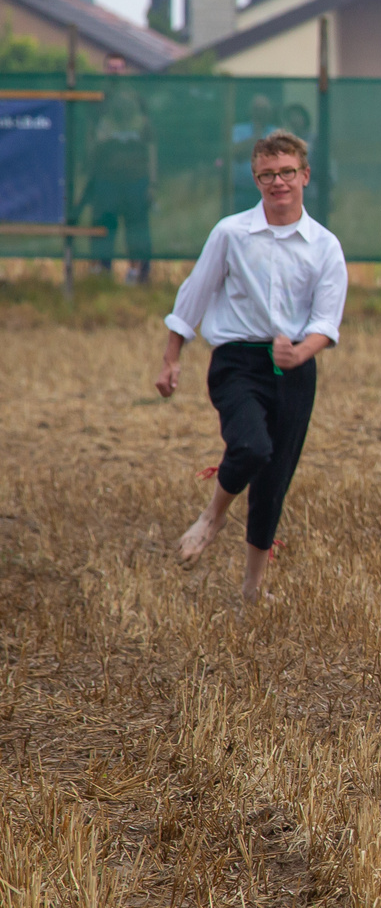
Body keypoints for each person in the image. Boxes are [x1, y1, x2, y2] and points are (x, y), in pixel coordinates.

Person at [155, 129, 347, 605]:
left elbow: (326, 320)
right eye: (267, 175)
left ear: (304, 175)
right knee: (251, 447)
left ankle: (251, 590)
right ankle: (213, 515)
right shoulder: (231, 233)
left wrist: (300, 354)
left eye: (286, 173)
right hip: (237, 361)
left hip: (295, 367)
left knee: (274, 478)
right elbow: (194, 294)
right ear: (256, 179)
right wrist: (171, 358)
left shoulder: (324, 245)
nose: (277, 183)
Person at [82, 84, 156, 284]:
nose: (123, 106)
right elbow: (93, 151)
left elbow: (151, 152)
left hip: (136, 184)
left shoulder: (142, 123)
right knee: (104, 227)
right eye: (119, 103)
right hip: (107, 183)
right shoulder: (104, 123)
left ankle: (137, 272)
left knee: (136, 230)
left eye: (127, 102)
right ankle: (101, 272)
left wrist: (152, 183)